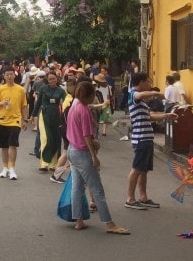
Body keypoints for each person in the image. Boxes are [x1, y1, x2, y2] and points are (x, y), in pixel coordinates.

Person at [66, 81, 130, 234]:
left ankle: (79, 221)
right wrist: (94, 155)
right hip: (82, 152)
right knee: (97, 190)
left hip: (71, 149)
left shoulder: (75, 104)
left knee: (77, 187)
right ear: (89, 95)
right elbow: (87, 135)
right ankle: (109, 224)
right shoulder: (84, 111)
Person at [125, 72, 178, 210]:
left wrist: (166, 115)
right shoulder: (133, 95)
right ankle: (130, 199)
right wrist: (156, 94)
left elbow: (149, 116)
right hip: (141, 138)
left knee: (144, 170)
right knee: (137, 168)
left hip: (147, 138)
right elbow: (141, 95)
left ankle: (143, 197)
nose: (149, 84)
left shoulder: (141, 101)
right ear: (141, 82)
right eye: (147, 82)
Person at [0, 67, 28, 180]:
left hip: (15, 120)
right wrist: (2, 102)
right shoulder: (0, 89)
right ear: (4, 76)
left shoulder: (20, 89)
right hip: (2, 120)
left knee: (12, 144)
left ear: (14, 75)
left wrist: (25, 120)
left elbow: (24, 105)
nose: (9, 76)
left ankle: (12, 168)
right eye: (7, 74)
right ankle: (5, 168)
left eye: (11, 74)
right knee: (4, 146)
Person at [30, 72, 66, 172]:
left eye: (54, 79)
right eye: (50, 79)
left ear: (57, 79)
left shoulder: (61, 91)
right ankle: (44, 164)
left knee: (55, 139)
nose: (52, 81)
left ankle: (53, 164)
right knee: (45, 138)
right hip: (44, 115)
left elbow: (67, 102)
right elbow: (38, 103)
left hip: (56, 117)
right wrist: (33, 115)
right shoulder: (43, 89)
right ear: (47, 80)